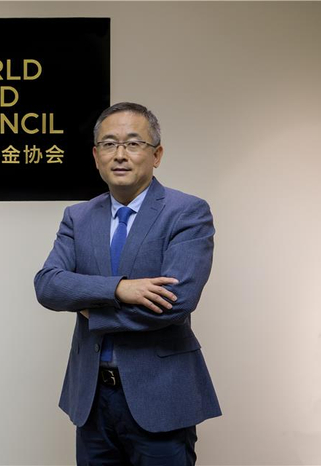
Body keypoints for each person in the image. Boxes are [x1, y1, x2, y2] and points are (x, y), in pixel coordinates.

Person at [34, 102, 221, 465]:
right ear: (96, 156)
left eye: (133, 144)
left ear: (157, 155)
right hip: (91, 398)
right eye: (109, 144)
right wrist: (119, 289)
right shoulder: (78, 217)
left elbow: (176, 301)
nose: (120, 155)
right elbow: (48, 285)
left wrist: (94, 312)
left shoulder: (186, 212)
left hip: (161, 397)